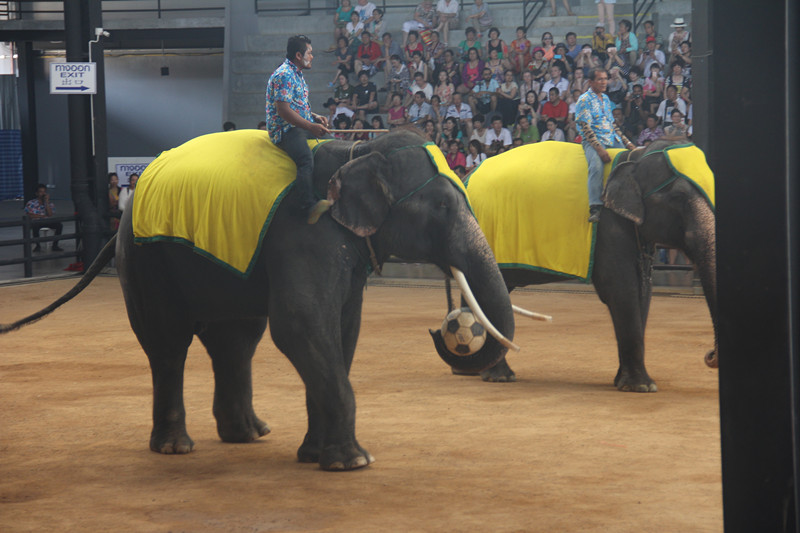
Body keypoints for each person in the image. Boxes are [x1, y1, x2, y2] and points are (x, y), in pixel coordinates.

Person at [266, 35, 331, 224]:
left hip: (299, 125)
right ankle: (307, 207)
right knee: (305, 160)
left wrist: (314, 116)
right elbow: (284, 111)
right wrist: (310, 126)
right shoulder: (284, 75)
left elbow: (297, 105)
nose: (312, 57)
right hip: (285, 129)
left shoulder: (297, 74)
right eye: (309, 53)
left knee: (330, 145)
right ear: (298, 55)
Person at [575, 68, 635, 222]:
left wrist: (627, 142)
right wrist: (599, 149)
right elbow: (585, 127)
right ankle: (595, 206)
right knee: (596, 166)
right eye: (600, 79)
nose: (604, 82)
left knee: (628, 161)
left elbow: (612, 124)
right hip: (593, 140)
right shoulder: (584, 99)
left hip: (611, 138)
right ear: (591, 82)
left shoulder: (606, 99)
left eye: (605, 79)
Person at [24, 184, 63, 252]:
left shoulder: (49, 203)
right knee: (35, 226)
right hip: (36, 221)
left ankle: (55, 245)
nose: (43, 193)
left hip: (46, 220)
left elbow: (50, 214)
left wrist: (46, 203)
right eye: (41, 192)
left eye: (44, 192)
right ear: (37, 193)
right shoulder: (31, 203)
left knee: (59, 225)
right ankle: (37, 246)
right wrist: (42, 216)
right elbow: (30, 215)